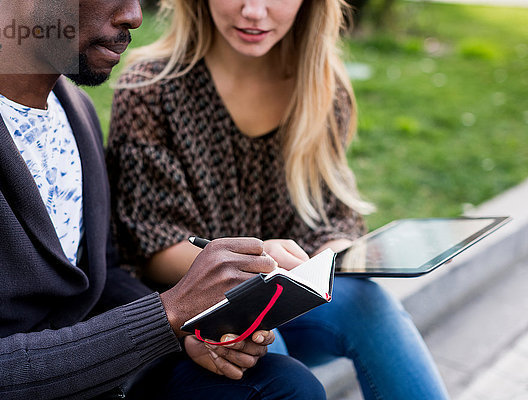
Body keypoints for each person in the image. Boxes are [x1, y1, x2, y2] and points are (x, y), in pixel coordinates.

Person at [0, 0, 327, 398]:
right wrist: (168, 313)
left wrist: (190, 328)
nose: (134, 16)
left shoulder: (75, 110)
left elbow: (103, 277)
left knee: (285, 384)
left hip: (102, 376)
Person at [107, 0, 451, 399]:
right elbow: (152, 245)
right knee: (260, 336)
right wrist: (254, 265)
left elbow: (332, 212)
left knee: (370, 306)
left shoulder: (320, 84)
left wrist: (340, 253)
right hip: (196, 314)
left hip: (293, 297)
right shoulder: (151, 86)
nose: (254, 11)